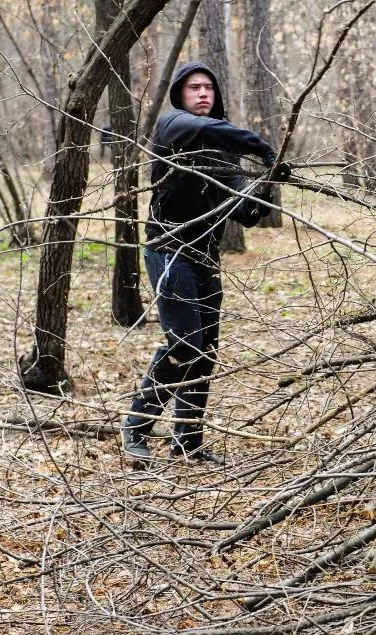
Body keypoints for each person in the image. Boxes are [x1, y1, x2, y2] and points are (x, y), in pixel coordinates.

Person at [120, 62, 288, 469]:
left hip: (204, 258)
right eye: (194, 87)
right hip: (168, 250)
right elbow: (218, 130)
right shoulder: (172, 126)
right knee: (184, 344)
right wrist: (262, 148)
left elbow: (246, 211)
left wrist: (268, 178)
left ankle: (188, 443)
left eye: (208, 87)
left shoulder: (221, 151)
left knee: (205, 351)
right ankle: (135, 430)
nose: (202, 93)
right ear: (180, 94)